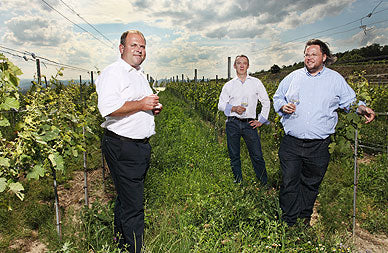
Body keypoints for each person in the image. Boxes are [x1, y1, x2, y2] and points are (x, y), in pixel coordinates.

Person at [273, 39, 375, 227]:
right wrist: (282, 105)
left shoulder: (335, 79)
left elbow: (350, 103)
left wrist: (363, 109)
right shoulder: (293, 77)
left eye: (313, 54)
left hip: (319, 146)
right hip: (292, 143)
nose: (309, 57)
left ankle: (303, 220)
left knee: (310, 185)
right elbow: (278, 97)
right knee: (289, 182)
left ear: (324, 57)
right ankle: (288, 223)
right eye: (306, 54)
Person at [96, 30, 162, 252]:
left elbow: (140, 103)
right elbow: (108, 108)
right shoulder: (113, 73)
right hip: (123, 145)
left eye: (142, 47)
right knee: (134, 205)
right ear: (121, 48)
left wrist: (152, 108)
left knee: (126, 199)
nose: (139, 50)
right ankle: (134, 248)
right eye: (134, 45)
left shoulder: (139, 74)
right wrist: (142, 104)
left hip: (137, 146)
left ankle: (120, 243)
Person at [218, 55, 270, 185]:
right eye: (239, 63)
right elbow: (220, 105)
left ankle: (264, 183)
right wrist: (234, 108)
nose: (242, 66)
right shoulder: (229, 85)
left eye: (244, 63)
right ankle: (238, 182)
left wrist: (261, 120)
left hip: (249, 124)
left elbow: (266, 101)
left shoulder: (256, 83)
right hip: (232, 123)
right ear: (234, 66)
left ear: (248, 66)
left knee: (257, 155)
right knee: (234, 155)